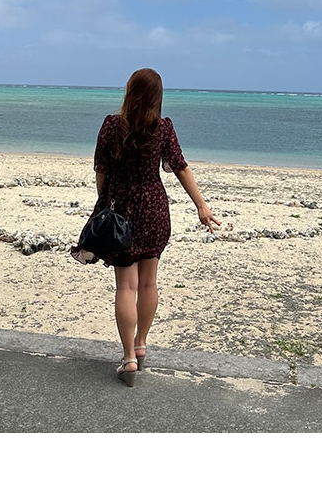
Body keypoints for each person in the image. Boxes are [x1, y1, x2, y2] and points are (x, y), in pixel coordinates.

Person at [72, 68, 219, 387]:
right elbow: (181, 167)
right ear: (157, 97)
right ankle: (140, 344)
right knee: (149, 283)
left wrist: (105, 203)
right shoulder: (163, 128)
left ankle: (128, 358)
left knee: (126, 286)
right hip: (154, 209)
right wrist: (201, 205)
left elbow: (101, 170)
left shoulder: (111, 125)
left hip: (121, 210)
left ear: (130, 92)